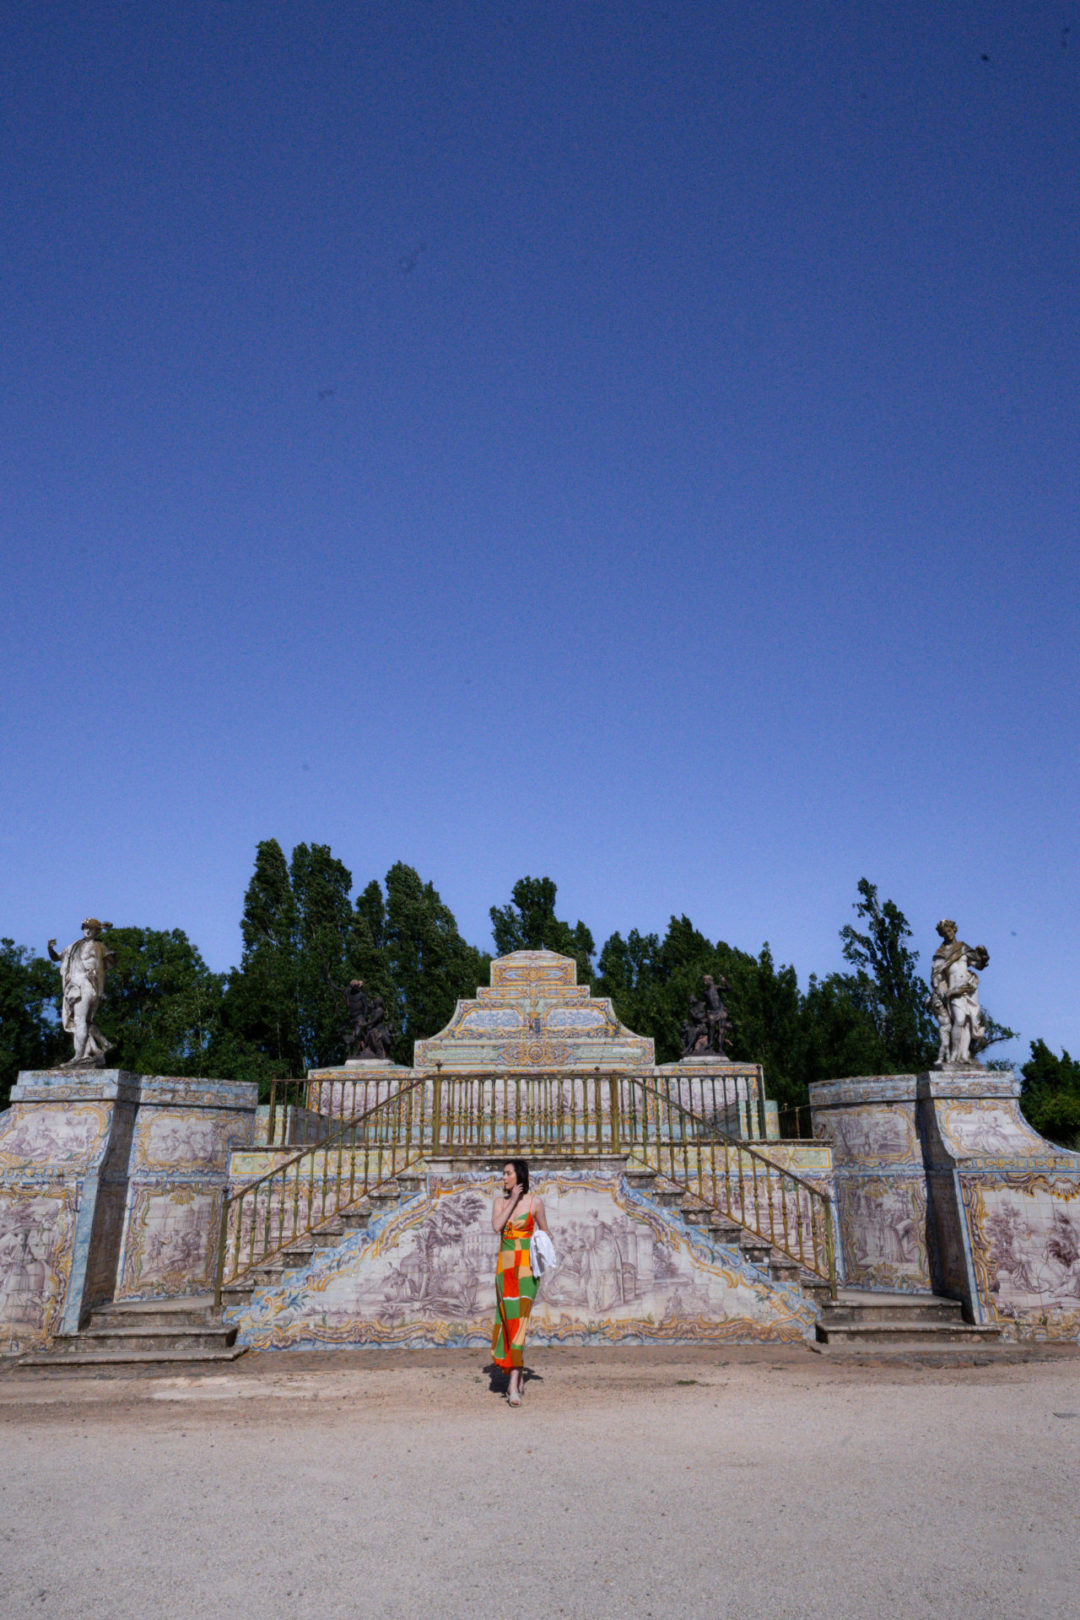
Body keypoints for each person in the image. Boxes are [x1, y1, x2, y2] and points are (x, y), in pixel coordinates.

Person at [491, 1159, 550, 1407]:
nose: (503, 1177)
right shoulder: (500, 1202)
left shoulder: (535, 1203)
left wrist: (544, 1253)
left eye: (507, 1173)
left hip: (526, 1271)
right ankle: (518, 1369)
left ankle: (513, 1384)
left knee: (520, 1323)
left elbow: (545, 1232)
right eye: (503, 1173)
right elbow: (497, 1227)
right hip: (505, 1270)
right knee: (508, 1322)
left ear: (519, 1176)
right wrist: (513, 1200)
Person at [47, 918, 115, 1067]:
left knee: (79, 1021)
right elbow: (56, 957)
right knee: (86, 1022)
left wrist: (101, 991)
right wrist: (49, 948)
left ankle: (78, 1056)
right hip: (75, 987)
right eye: (85, 927)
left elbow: (100, 970)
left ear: (97, 931)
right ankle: (104, 1043)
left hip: (84, 986)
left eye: (91, 928)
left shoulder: (97, 946)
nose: (87, 930)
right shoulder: (74, 946)